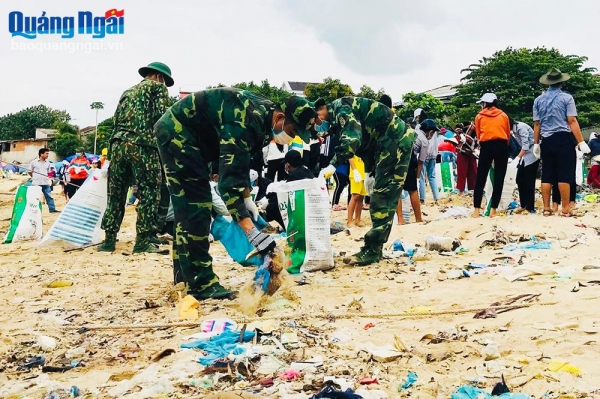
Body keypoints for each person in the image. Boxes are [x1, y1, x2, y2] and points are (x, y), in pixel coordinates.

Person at [154, 88, 316, 299]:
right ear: (280, 117)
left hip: (192, 138)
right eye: (292, 131)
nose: (291, 137)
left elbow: (241, 163)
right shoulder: (246, 120)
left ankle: (184, 277)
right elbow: (228, 183)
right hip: (178, 134)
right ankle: (201, 284)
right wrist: (252, 233)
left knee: (190, 209)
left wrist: (247, 198)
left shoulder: (262, 117)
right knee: (196, 206)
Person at [317, 96, 414, 266]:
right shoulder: (338, 112)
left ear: (322, 108)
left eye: (318, 118)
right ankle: (374, 247)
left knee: (382, 197)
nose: (319, 123)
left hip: (393, 142)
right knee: (380, 194)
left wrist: (333, 165)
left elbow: (352, 138)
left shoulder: (342, 109)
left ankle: (373, 249)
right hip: (385, 145)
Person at [99, 61, 174, 253]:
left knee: (116, 194)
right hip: (143, 146)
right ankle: (143, 241)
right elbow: (162, 119)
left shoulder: (127, 92)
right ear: (159, 77)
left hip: (117, 146)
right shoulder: (158, 88)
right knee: (150, 191)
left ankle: (108, 240)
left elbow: (116, 120)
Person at [533, 68, 590, 217]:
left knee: (547, 174)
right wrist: (581, 141)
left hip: (546, 140)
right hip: (563, 138)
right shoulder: (567, 98)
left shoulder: (538, 100)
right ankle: (565, 208)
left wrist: (536, 143)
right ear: (561, 82)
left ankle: (546, 208)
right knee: (564, 173)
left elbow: (537, 124)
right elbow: (571, 120)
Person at [472, 93, 510, 218]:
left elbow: (478, 135)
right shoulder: (503, 115)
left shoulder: (479, 117)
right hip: (502, 145)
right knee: (499, 178)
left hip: (486, 146)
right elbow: (507, 134)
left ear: (485, 103)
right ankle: (493, 210)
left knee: (480, 178)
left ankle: (476, 210)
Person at [396, 117, 432, 224]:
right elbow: (420, 162)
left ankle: (400, 219)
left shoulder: (412, 131)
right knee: (413, 191)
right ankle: (418, 218)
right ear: (430, 132)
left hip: (397, 159)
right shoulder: (424, 140)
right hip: (409, 160)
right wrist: (417, 177)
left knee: (397, 190)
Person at [509, 118, 539, 213]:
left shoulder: (520, 127)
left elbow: (525, 145)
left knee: (529, 181)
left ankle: (530, 207)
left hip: (532, 154)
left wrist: (517, 158)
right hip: (524, 156)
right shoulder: (513, 130)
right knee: (520, 179)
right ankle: (523, 205)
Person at [29, 148, 59, 213]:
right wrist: (33, 177)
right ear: (41, 154)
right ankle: (33, 210)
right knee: (35, 197)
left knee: (49, 196)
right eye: (46, 153)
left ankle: (52, 209)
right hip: (36, 183)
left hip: (45, 182)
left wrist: (51, 178)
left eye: (48, 153)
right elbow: (29, 171)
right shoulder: (33, 162)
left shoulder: (48, 163)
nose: (48, 155)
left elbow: (49, 172)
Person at [419, 120, 441, 205]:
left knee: (421, 176)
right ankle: (437, 198)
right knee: (432, 176)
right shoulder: (434, 128)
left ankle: (422, 198)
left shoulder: (424, 129)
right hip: (434, 154)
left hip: (425, 154)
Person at [455, 123, 478, 194]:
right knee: (462, 170)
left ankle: (473, 188)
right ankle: (460, 188)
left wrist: (477, 149)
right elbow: (457, 128)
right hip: (463, 150)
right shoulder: (471, 127)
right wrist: (461, 135)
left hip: (473, 152)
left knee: (473, 170)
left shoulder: (485, 132)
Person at [347, 155, 366, 227]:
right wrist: (355, 170)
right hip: (356, 173)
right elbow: (349, 157)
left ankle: (357, 220)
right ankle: (349, 220)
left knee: (361, 197)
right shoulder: (353, 144)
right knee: (355, 196)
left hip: (364, 173)